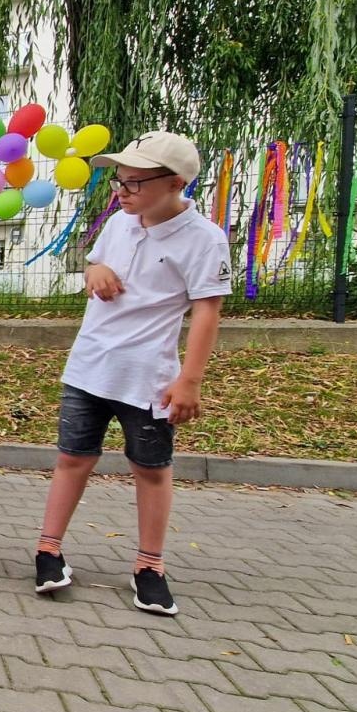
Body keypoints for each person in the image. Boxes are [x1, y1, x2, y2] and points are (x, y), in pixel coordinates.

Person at [33, 131, 230, 616]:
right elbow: (98, 262)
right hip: (89, 366)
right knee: (72, 459)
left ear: (176, 183)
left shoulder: (205, 239)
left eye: (134, 183)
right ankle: (48, 550)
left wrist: (190, 379)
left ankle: (149, 566)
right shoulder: (121, 222)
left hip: (148, 378)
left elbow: (207, 312)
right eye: (118, 180)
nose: (120, 192)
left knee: (151, 470)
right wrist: (91, 270)